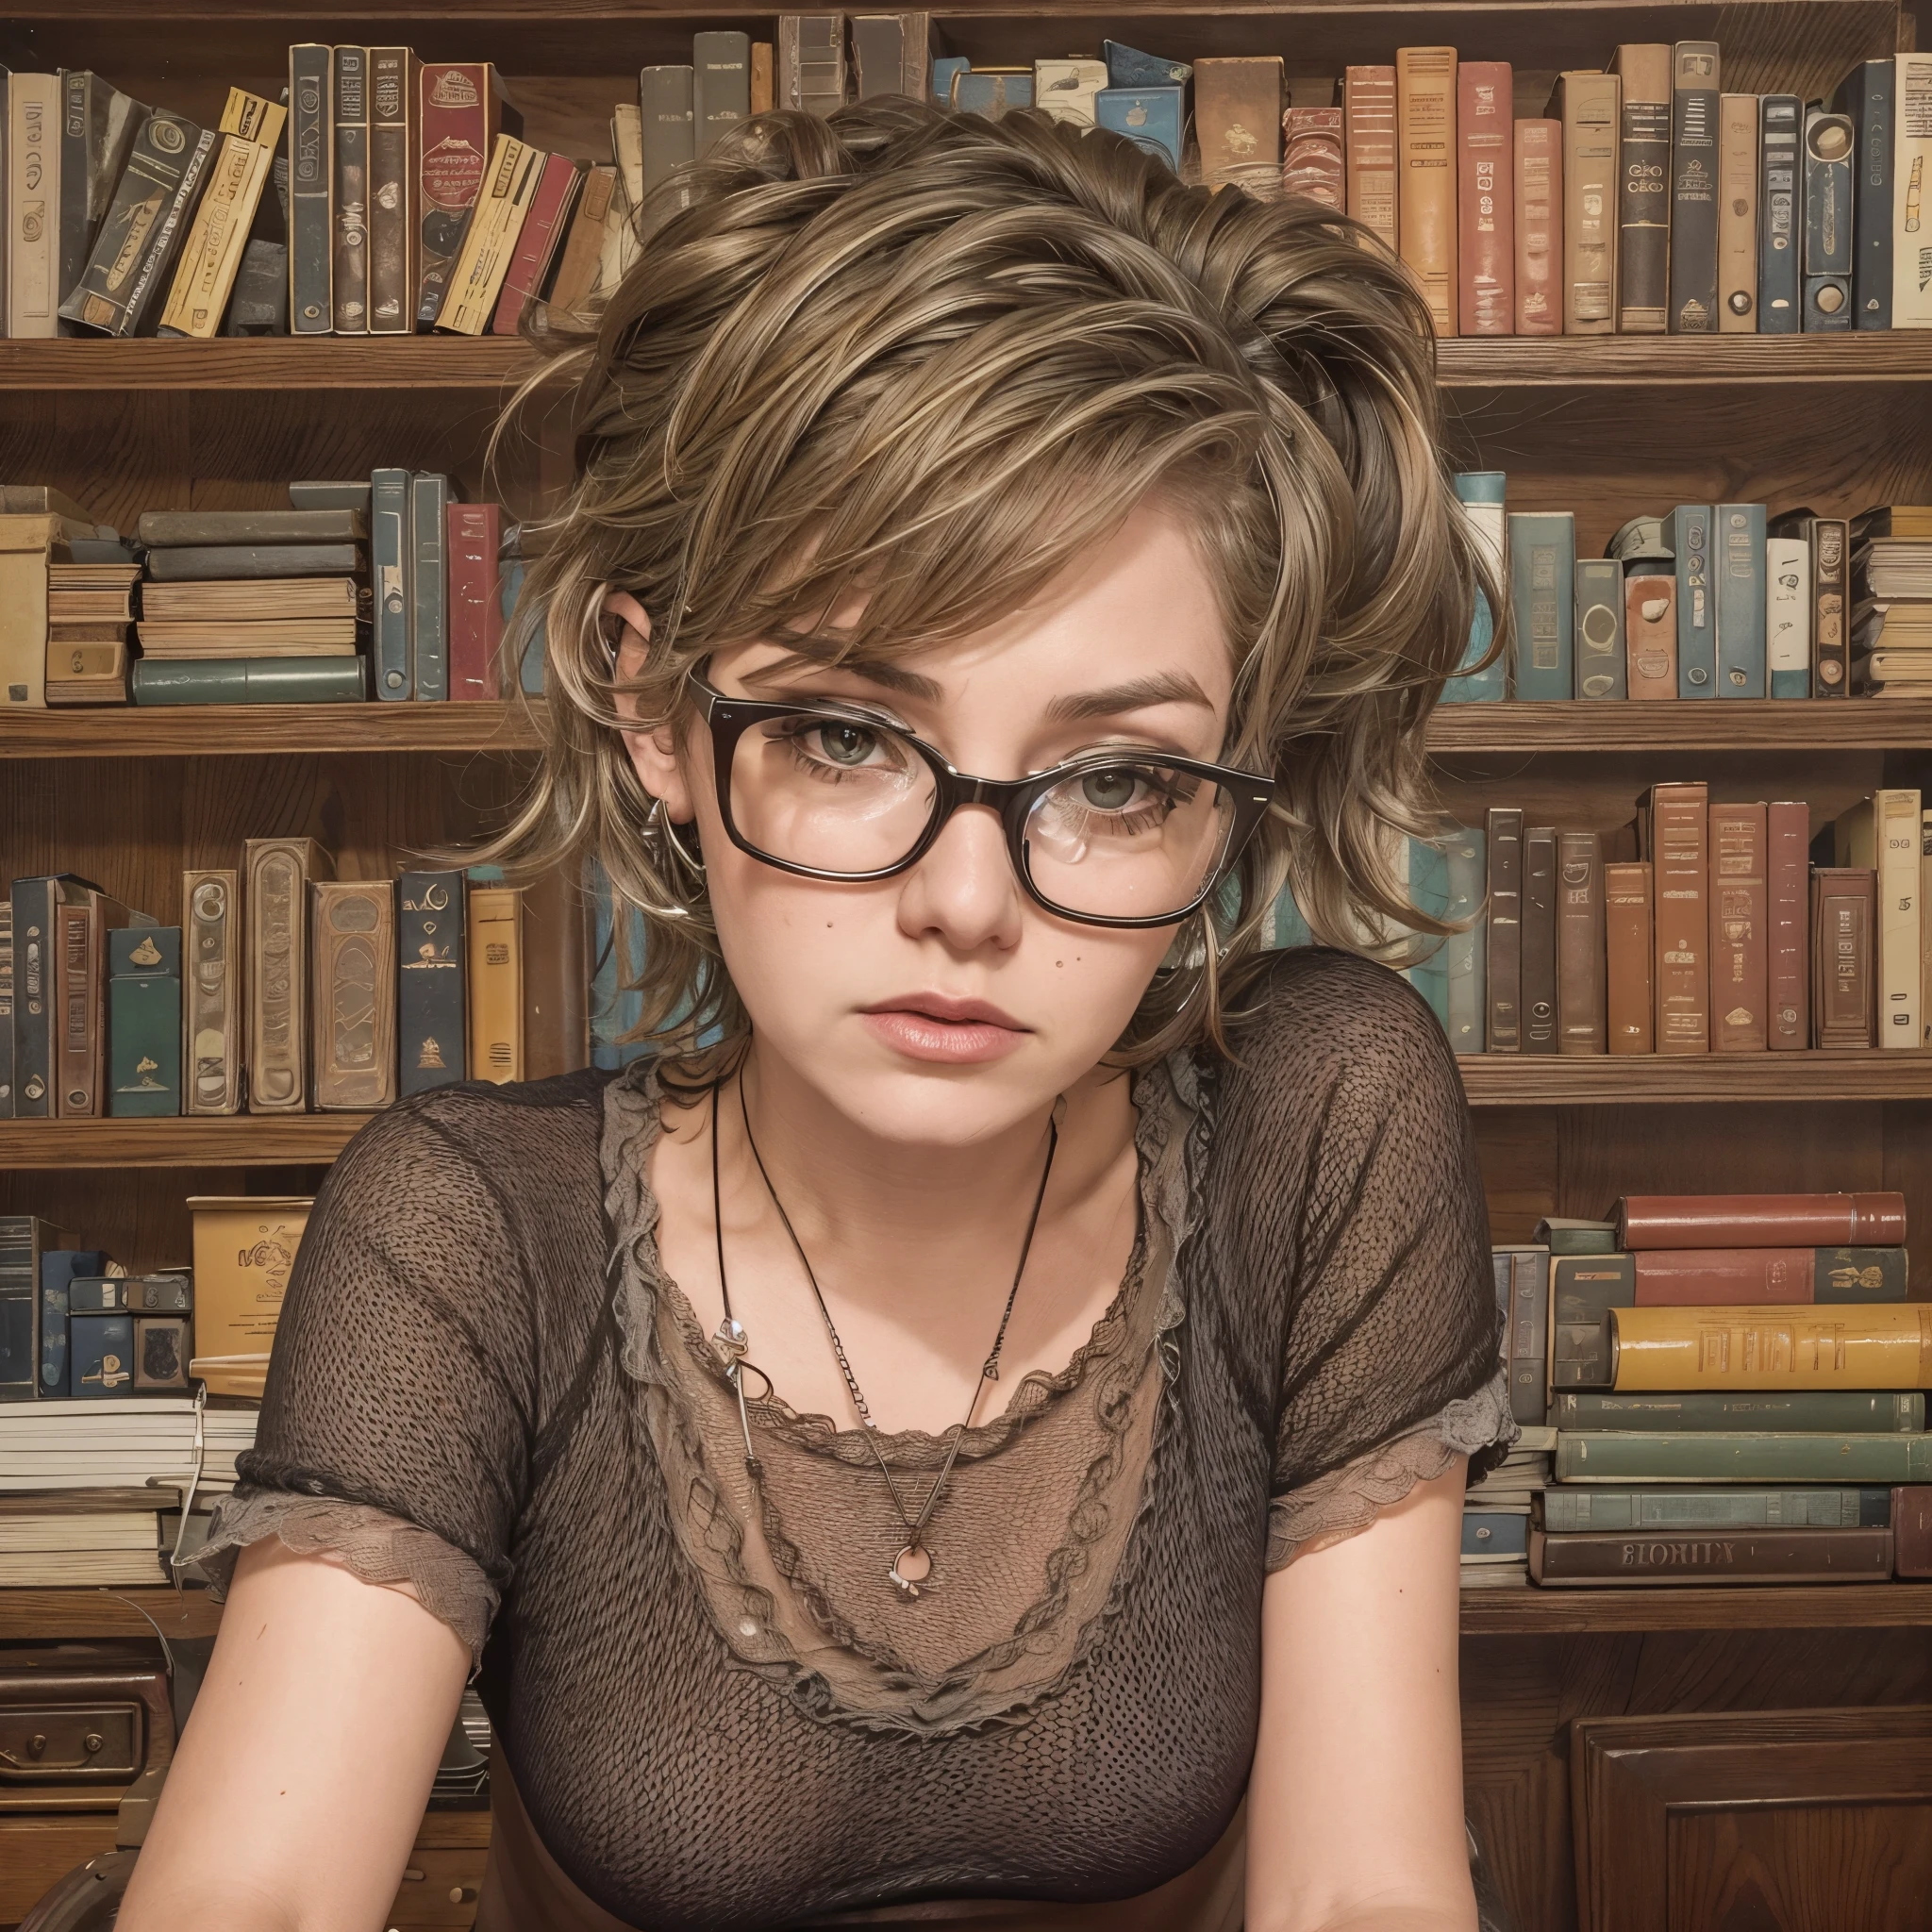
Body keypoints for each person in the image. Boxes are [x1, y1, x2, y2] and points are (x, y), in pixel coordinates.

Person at [121, 98, 1509, 1932]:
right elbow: (259, 1895)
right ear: (650, 705)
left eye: (1114, 779)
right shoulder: (470, 1227)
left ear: (1243, 776)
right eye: (844, 734)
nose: (965, 900)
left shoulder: (1321, 1112)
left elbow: (1362, 1895)